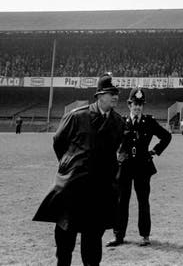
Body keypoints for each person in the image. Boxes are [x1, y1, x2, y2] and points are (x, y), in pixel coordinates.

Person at [33, 73, 124, 266]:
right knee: (65, 242)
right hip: (74, 189)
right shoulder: (77, 116)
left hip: (99, 191)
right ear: (99, 95)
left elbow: (113, 149)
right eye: (111, 92)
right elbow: (59, 142)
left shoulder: (118, 122)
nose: (115, 96)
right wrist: (70, 166)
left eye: (116, 92)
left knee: (92, 244)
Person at [106, 88, 172, 248]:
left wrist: (154, 151)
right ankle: (118, 235)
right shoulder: (121, 121)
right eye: (135, 104)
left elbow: (166, 136)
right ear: (129, 105)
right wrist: (117, 153)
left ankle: (145, 236)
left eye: (140, 105)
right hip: (125, 167)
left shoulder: (149, 122)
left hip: (143, 166)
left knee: (143, 202)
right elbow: (110, 139)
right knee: (122, 202)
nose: (138, 107)